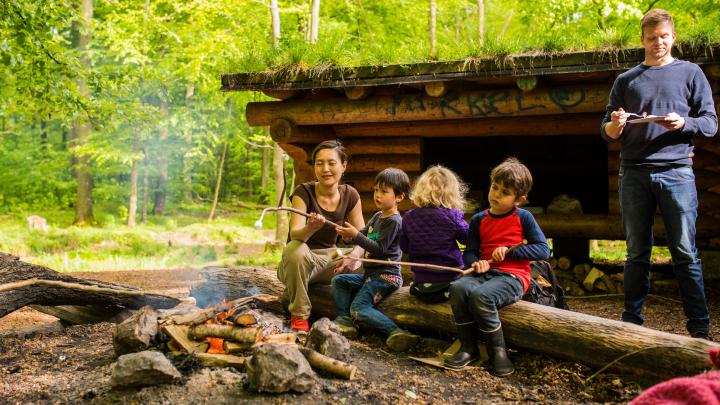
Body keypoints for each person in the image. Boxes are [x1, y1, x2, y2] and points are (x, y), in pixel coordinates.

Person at [601, 9, 717, 340]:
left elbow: (710, 122)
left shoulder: (691, 73)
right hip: (634, 173)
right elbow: (606, 130)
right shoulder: (626, 80)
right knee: (637, 251)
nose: (658, 43)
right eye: (652, 38)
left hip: (677, 171)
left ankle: (699, 327)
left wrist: (684, 123)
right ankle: (631, 321)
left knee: (684, 251)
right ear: (643, 39)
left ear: (673, 36)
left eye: (664, 36)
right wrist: (616, 124)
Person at [445, 157, 550, 375]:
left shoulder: (524, 218)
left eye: (504, 192)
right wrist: (476, 263)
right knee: (457, 288)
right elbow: (471, 252)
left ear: (518, 200)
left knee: (481, 297)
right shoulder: (478, 220)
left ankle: (498, 352)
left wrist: (512, 250)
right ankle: (468, 347)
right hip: (486, 273)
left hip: (513, 277)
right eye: (494, 188)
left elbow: (543, 250)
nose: (496, 195)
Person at [277, 140, 365, 333]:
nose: (325, 169)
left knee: (368, 257)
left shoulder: (350, 194)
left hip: (331, 260)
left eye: (331, 163)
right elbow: (295, 235)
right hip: (301, 261)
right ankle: (299, 315)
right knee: (295, 249)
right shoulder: (304, 192)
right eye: (319, 163)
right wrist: (311, 227)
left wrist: (355, 255)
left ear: (343, 166)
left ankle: (360, 311)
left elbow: (363, 237)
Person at [332, 168, 420, 351]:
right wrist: (347, 236)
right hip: (371, 275)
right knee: (339, 281)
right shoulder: (378, 216)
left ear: (399, 197)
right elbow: (362, 236)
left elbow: (379, 249)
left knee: (359, 308)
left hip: (386, 277)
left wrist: (356, 235)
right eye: (376, 190)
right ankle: (345, 321)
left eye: (384, 191)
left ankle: (396, 332)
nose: (377, 195)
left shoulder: (395, 221)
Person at [399, 165, 469, 303]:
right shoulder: (452, 216)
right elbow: (469, 239)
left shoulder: (408, 217)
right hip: (450, 281)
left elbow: (404, 247)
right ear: (451, 192)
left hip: (421, 283)